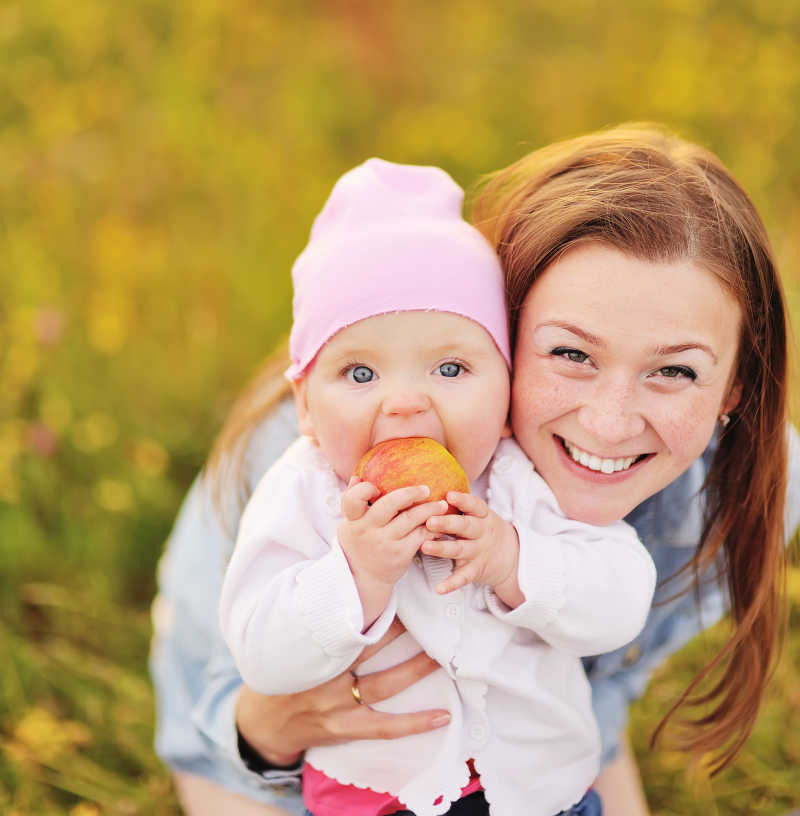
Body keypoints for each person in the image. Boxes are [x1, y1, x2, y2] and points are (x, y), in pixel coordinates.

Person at [150, 124, 800, 816]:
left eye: (675, 370)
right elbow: (214, 697)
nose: (609, 423)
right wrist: (277, 715)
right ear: (509, 332)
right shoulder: (313, 458)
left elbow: (602, 667)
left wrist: (516, 568)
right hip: (304, 769)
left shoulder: (739, 489)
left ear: (736, 387)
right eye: (571, 354)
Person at [217, 158, 657, 816]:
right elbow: (262, 655)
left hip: (541, 794)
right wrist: (355, 575)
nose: (404, 402)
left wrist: (513, 559)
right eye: (360, 373)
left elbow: (618, 601)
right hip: (380, 800)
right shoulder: (302, 497)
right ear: (304, 405)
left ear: (508, 387)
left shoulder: (515, 479)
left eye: (451, 366)